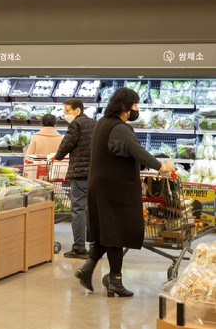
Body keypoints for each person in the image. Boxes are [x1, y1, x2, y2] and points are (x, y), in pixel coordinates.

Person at [75, 87, 175, 297]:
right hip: (114, 188)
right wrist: (162, 166)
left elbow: (122, 152)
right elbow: (137, 152)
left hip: (100, 185)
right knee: (116, 234)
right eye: (135, 105)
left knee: (108, 231)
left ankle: (87, 269)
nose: (136, 110)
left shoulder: (103, 123)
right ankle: (115, 282)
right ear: (125, 107)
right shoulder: (120, 129)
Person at [54, 99, 96, 259]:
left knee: (78, 210)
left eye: (67, 111)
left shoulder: (76, 124)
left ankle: (79, 247)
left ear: (77, 111)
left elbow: (66, 145)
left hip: (79, 173)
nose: (65, 115)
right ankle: (94, 247)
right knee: (92, 211)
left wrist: (58, 156)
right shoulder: (95, 123)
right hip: (95, 174)